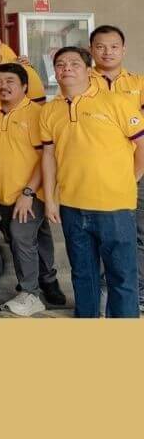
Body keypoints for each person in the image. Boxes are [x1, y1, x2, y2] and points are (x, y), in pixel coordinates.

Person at [41, 46, 144, 318]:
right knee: (83, 273)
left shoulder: (117, 103)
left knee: (121, 276)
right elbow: (49, 157)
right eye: (61, 64)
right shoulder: (50, 111)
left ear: (89, 70)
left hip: (115, 207)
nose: (66, 69)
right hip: (72, 205)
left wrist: (129, 180)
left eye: (74, 64)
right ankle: (86, 321)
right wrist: (51, 199)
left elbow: (142, 147)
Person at [0, 63, 65, 317]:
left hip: (32, 192)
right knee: (36, 235)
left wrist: (28, 193)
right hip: (2, 191)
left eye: (10, 81)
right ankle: (48, 279)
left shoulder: (36, 114)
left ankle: (30, 292)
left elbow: (46, 157)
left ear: (24, 86)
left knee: (20, 235)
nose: (4, 86)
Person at [88, 24, 144, 310]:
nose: (107, 52)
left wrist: (136, 172)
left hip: (137, 170)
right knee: (99, 236)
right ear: (91, 50)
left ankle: (139, 292)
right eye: (100, 46)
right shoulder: (83, 83)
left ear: (124, 49)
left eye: (113, 46)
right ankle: (102, 291)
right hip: (98, 174)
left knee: (137, 234)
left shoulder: (138, 84)